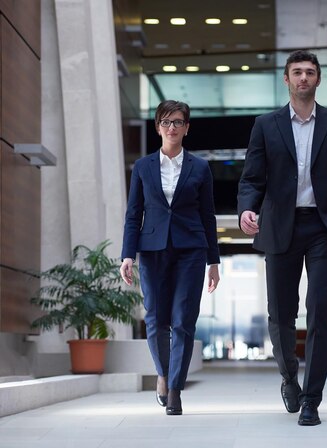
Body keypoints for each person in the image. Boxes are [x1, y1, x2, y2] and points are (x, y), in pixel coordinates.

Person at [237, 50, 327, 426]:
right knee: (281, 313)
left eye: (309, 72)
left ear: (318, 79)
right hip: (280, 227)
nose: (303, 78)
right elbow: (252, 177)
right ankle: (289, 376)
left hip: (323, 227)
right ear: (286, 80)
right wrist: (246, 209)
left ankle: (312, 399)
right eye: (297, 72)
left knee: (321, 310)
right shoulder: (266, 124)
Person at [120, 100, 220, 416]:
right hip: (151, 251)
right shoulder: (143, 166)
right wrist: (127, 255)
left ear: (187, 128)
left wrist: (213, 261)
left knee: (183, 320)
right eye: (165, 122)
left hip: (191, 250)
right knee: (156, 319)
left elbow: (208, 215)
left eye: (177, 122)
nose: (172, 128)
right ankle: (162, 375)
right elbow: (134, 213)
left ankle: (175, 388)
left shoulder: (200, 167)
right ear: (157, 127)